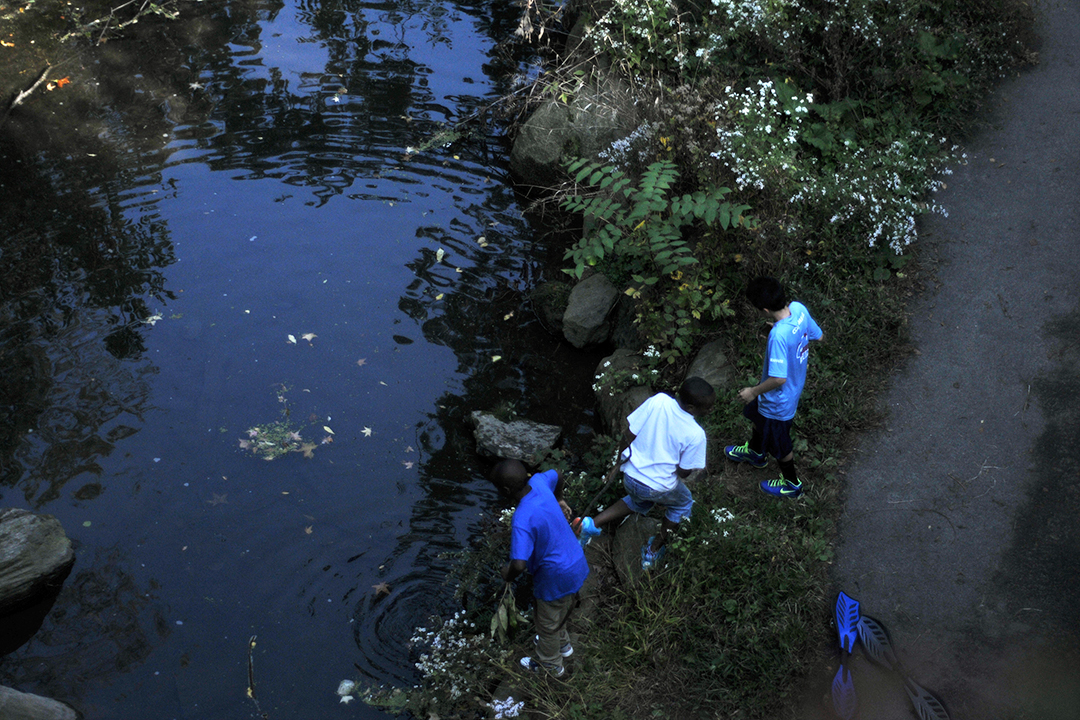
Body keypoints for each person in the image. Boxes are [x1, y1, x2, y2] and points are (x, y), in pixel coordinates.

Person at [578, 377, 715, 570]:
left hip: (630, 476)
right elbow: (683, 474)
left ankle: (591, 524)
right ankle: (653, 549)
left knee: (639, 499)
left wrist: (617, 465)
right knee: (683, 503)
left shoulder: (659, 400)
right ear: (692, 408)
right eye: (708, 408)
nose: (710, 411)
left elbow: (628, 434)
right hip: (656, 487)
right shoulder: (696, 434)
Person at [724, 276, 823, 498]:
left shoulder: (779, 336)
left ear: (765, 309)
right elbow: (818, 336)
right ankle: (756, 452)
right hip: (781, 394)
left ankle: (792, 485)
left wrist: (753, 391)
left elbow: (778, 379)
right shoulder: (798, 309)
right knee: (758, 418)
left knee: (780, 444)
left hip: (778, 401)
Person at [491, 459, 589, 678]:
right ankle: (564, 646)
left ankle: (551, 666)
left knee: (546, 625)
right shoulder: (539, 483)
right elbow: (558, 472)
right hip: (576, 562)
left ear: (506, 490)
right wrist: (560, 498)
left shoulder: (522, 518)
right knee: (559, 608)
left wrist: (507, 574)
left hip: (554, 576)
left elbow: (519, 563)